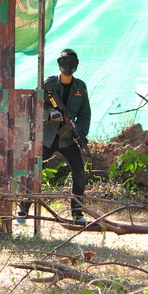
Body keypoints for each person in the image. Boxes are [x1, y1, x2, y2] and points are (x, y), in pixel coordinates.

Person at [18, 48, 92, 225]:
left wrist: (81, 132)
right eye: (65, 62)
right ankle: (23, 211)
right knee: (35, 173)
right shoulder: (49, 84)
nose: (69, 66)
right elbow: (34, 103)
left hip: (68, 139)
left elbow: (85, 113)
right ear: (60, 64)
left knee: (79, 173)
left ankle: (77, 214)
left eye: (72, 63)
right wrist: (49, 113)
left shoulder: (80, 87)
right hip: (48, 138)